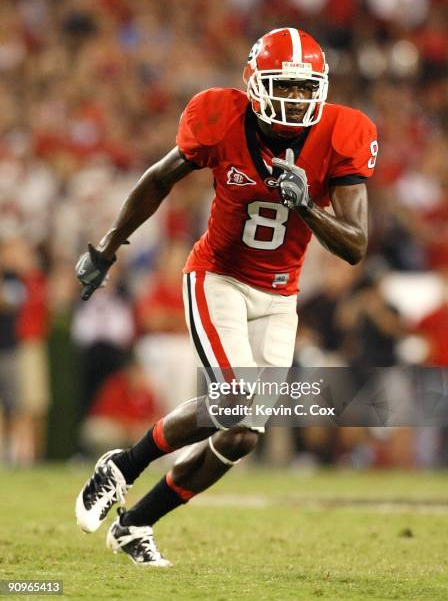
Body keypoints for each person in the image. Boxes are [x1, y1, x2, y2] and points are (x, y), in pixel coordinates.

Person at [75, 28, 377, 566]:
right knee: (234, 400)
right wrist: (107, 247)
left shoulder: (345, 132)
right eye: (284, 86)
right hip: (218, 278)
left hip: (281, 296)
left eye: (307, 88)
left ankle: (135, 523)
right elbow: (158, 178)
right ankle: (124, 463)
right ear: (255, 84)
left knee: (241, 437)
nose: (296, 99)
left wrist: (308, 205)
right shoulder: (220, 116)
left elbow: (355, 246)